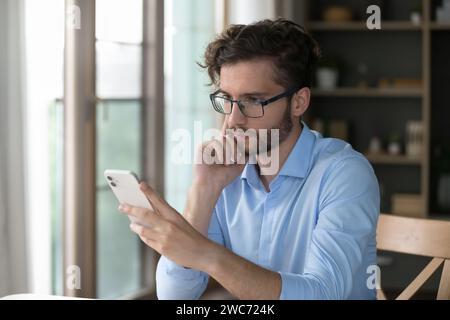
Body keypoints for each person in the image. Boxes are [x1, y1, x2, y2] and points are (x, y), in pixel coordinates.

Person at [118, 18, 380, 300]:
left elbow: (322, 294)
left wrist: (206, 255)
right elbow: (175, 297)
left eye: (253, 101)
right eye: (227, 99)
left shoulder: (344, 173)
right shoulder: (225, 174)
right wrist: (204, 190)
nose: (233, 119)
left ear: (299, 102)